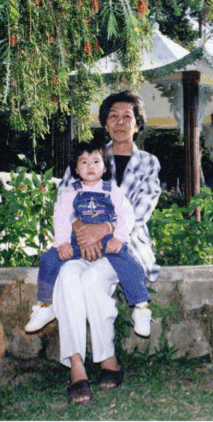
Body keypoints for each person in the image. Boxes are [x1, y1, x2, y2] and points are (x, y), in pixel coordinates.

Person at [52, 90, 161, 405]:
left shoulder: (148, 163)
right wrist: (80, 231)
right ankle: (76, 367)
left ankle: (107, 359)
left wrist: (105, 229)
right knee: (67, 277)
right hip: (79, 243)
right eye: (113, 115)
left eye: (128, 116)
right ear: (105, 123)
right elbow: (64, 197)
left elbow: (141, 209)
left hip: (122, 247)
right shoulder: (92, 154)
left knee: (92, 280)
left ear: (138, 124)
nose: (120, 121)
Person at [24, 141, 152, 337]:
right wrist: (63, 242)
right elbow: (61, 217)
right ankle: (45, 304)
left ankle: (141, 308)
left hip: (108, 239)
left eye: (95, 161)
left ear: (105, 166)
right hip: (78, 241)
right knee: (49, 259)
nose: (90, 166)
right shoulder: (70, 192)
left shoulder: (113, 191)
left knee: (129, 261)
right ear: (76, 168)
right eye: (83, 162)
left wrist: (118, 238)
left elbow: (127, 215)